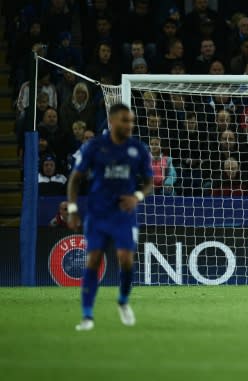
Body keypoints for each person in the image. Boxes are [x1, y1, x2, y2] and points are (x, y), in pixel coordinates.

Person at [67, 103, 154, 331]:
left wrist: (136, 196)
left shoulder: (137, 149)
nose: (130, 125)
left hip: (123, 214)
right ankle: (87, 316)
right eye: (125, 120)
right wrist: (73, 210)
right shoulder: (94, 147)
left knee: (126, 259)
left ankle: (123, 301)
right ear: (113, 121)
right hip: (97, 214)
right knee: (93, 260)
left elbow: (149, 182)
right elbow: (75, 179)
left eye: (132, 121)